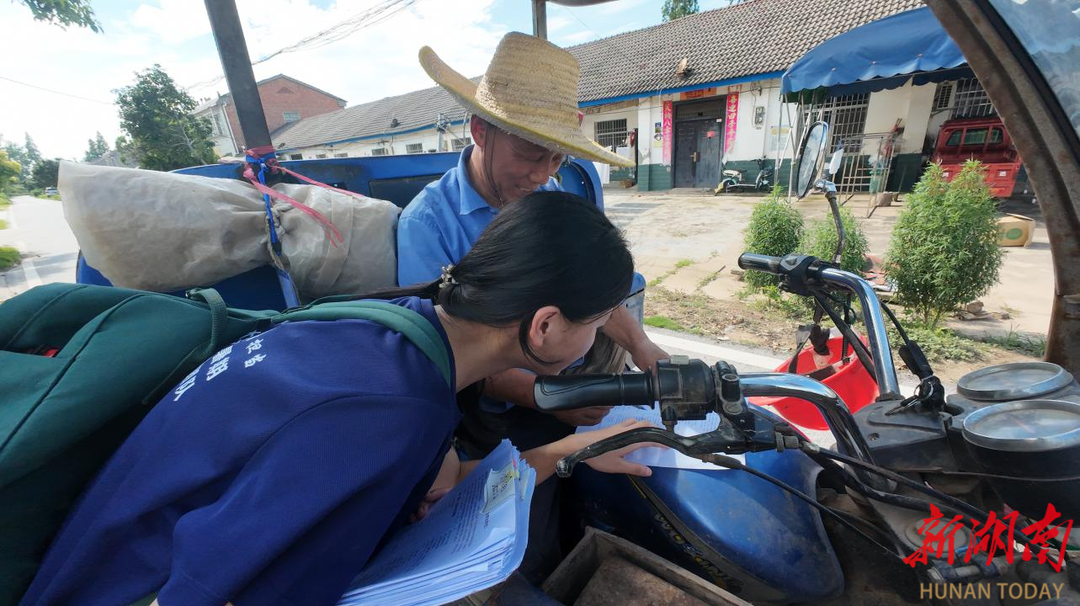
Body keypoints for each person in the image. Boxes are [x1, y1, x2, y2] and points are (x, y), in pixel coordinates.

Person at [19, 192, 656, 606]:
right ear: (545, 326)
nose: (602, 335)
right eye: (599, 320)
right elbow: (206, 589)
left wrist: (568, 450)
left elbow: (442, 480)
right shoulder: (392, 411)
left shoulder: (395, 328)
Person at [396, 32, 670, 580]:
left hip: (561, 386)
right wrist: (553, 400)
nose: (543, 174)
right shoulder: (426, 224)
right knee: (532, 539)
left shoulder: (545, 197)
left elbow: (591, 289)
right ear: (480, 130)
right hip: (489, 413)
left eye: (556, 157)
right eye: (528, 152)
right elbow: (454, 357)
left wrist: (642, 345)